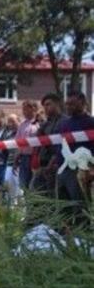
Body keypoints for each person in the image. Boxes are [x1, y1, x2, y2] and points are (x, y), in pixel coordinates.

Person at [53, 90, 94, 227]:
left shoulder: (91, 123)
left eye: (72, 104)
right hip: (62, 171)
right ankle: (65, 238)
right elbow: (59, 146)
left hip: (80, 172)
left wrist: (90, 170)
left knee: (80, 207)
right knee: (63, 207)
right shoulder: (63, 124)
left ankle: (83, 237)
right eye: (67, 104)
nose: (68, 107)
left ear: (82, 103)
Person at [31, 93, 65, 196]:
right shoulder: (46, 124)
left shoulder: (64, 121)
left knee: (54, 196)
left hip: (56, 166)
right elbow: (37, 143)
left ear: (57, 104)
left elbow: (60, 146)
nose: (45, 108)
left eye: (48, 104)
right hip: (42, 166)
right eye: (44, 106)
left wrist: (51, 164)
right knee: (35, 195)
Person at [15, 101, 40, 191]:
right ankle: (27, 203)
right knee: (24, 184)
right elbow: (18, 143)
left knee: (34, 185)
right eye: (23, 109)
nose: (23, 112)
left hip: (36, 157)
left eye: (26, 109)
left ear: (33, 109)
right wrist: (16, 158)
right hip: (24, 158)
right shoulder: (22, 125)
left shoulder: (39, 123)